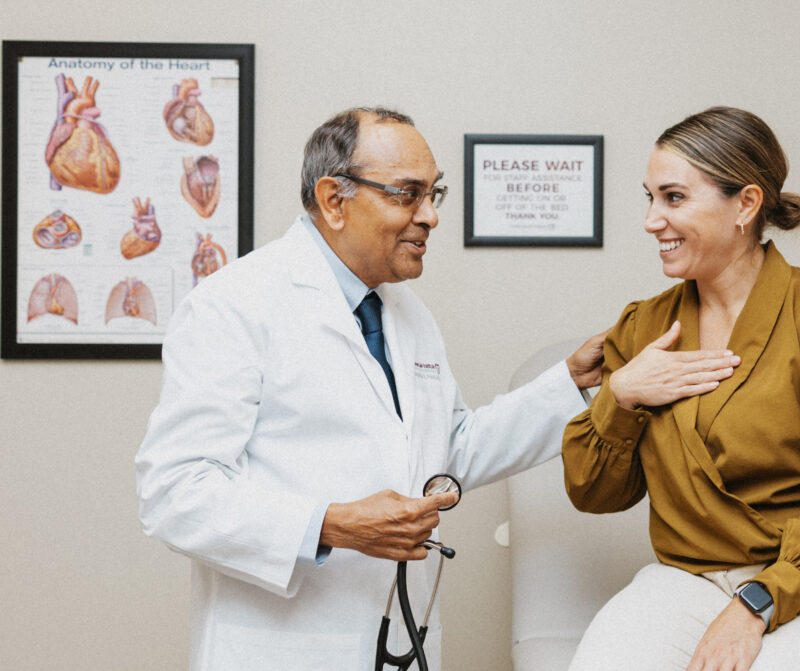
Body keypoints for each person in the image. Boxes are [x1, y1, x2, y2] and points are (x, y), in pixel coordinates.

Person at [135, 106, 604, 670]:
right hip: (281, 648)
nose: (430, 216)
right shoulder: (235, 305)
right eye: (407, 194)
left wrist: (570, 384)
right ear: (335, 200)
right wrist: (333, 524)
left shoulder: (406, 312)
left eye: (435, 194)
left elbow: (446, 450)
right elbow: (174, 492)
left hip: (393, 643)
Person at [562, 106, 800, 671]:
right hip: (688, 580)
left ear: (745, 205)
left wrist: (757, 602)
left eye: (673, 198)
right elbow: (594, 494)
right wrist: (620, 397)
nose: (653, 220)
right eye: (649, 198)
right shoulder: (642, 329)